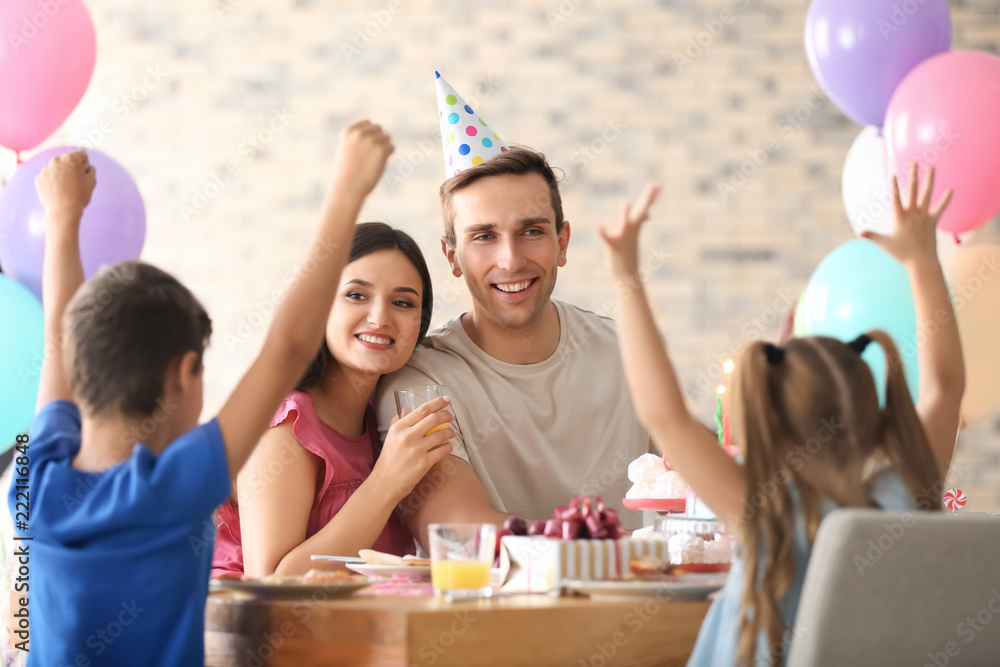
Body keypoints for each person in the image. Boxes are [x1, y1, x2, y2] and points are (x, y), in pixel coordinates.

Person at [12, 122, 393, 666]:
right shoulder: (172, 486)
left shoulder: (39, 476)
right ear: (184, 372)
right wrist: (348, 189)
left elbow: (57, 335)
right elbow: (286, 350)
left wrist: (62, 216)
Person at [599, 163, 963, 666]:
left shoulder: (766, 513)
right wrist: (922, 259)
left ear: (770, 423)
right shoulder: (909, 493)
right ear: (872, 412)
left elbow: (664, 418)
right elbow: (945, 386)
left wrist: (625, 275)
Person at [375, 147, 652, 543]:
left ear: (562, 242)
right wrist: (600, 541)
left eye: (532, 231)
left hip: (629, 603)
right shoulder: (420, 381)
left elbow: (691, 481)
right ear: (452, 256)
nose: (510, 260)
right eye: (484, 236)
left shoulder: (626, 352)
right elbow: (455, 529)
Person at [212, 222, 455, 577]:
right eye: (357, 295)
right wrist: (387, 482)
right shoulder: (284, 427)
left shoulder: (385, 421)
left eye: (402, 303)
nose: (380, 318)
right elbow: (272, 586)